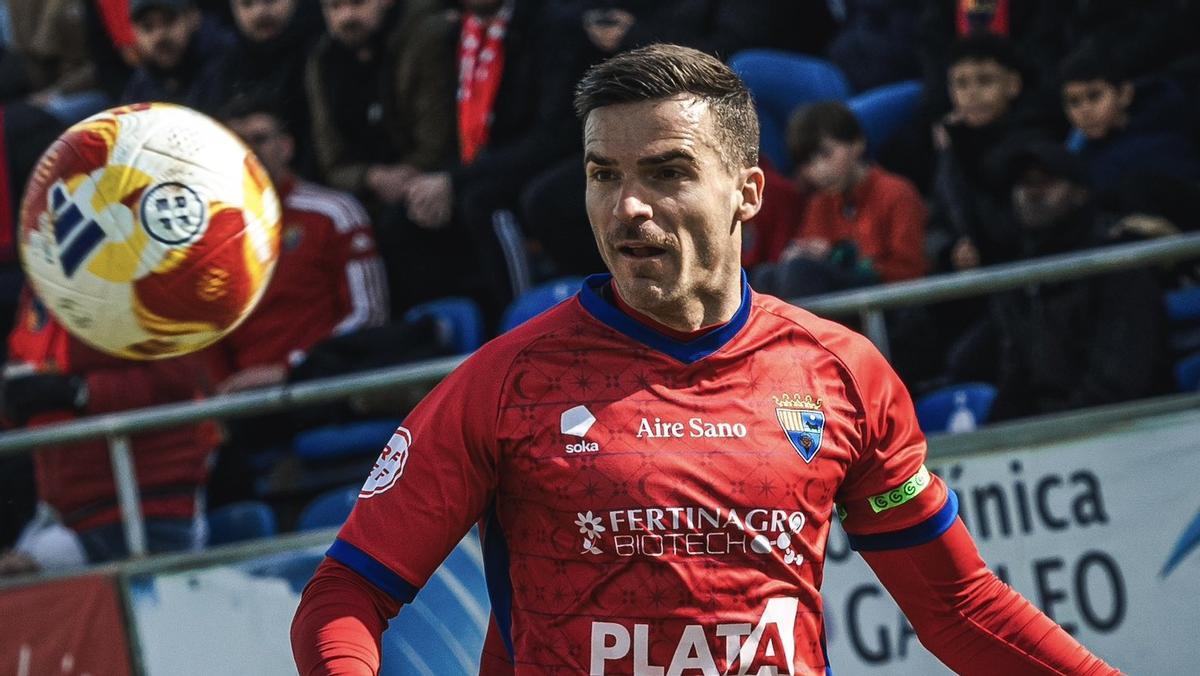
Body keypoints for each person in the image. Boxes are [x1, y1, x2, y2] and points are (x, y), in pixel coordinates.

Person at [291, 44, 1117, 675]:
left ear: (749, 192)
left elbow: (959, 607)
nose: (629, 206)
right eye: (602, 175)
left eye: (667, 172)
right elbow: (344, 595)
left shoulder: (841, 373)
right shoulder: (503, 383)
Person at [945, 136, 1171, 420]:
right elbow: (1015, 379)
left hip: (1129, 429)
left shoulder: (1119, 265)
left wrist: (1052, 432)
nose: (1032, 193)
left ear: (1080, 192)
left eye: (1045, 182)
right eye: (1023, 183)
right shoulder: (1018, 275)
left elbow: (1119, 381)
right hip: (1051, 437)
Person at [1, 289, 218, 563]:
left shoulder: (147, 265)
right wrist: (13, 402)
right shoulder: (40, 277)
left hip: (144, 509)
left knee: (27, 587)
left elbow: (179, 378)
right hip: (64, 511)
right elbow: (26, 373)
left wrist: (80, 391)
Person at [753, 100, 927, 298]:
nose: (819, 171)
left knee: (800, 271)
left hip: (887, 302)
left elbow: (910, 271)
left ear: (857, 143)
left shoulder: (896, 192)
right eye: (808, 162)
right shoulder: (819, 204)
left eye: (826, 154)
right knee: (764, 276)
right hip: (842, 299)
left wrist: (838, 259)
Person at [1059, 47, 1200, 192]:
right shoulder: (1078, 155)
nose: (1084, 111)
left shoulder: (1168, 132)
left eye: (1094, 96)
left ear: (1125, 94)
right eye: (1074, 102)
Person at [120, 0, 233, 112]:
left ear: (193, 16)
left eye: (169, 20)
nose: (159, 35)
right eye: (147, 27)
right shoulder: (139, 88)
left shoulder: (229, 62)